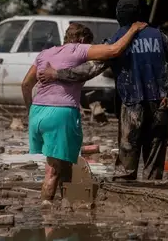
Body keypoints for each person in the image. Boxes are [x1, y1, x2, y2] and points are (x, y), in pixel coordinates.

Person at [39, 0, 168, 181]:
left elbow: (89, 70)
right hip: (160, 106)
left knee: (126, 164)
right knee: (154, 163)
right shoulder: (159, 37)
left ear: (118, 15)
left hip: (131, 107)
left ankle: (124, 201)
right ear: (139, 14)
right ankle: (154, 200)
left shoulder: (117, 41)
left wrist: (57, 74)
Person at [21, 21, 147, 204]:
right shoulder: (78, 50)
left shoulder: (45, 53)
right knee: (53, 169)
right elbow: (114, 51)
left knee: (64, 162)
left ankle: (66, 206)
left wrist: (30, 111)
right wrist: (133, 29)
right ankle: (46, 214)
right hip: (61, 114)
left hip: (38, 113)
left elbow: (25, 84)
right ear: (81, 39)